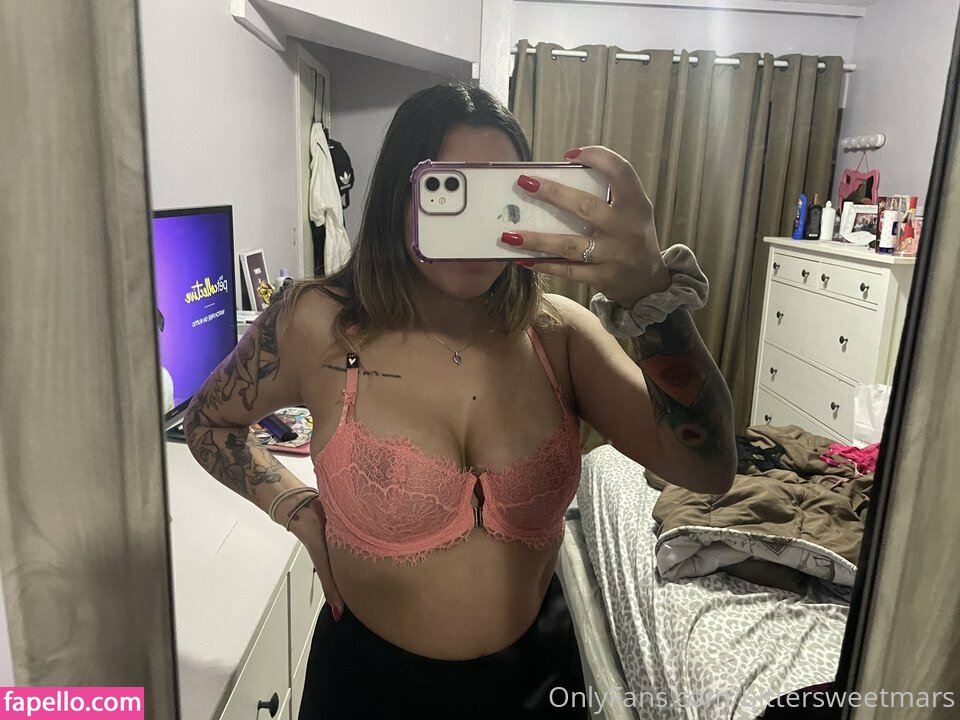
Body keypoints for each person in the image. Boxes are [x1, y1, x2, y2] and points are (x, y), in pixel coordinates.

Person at [183, 82, 736, 719]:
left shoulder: (559, 337)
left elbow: (708, 467)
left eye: (502, 198)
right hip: (367, 688)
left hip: (536, 685)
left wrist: (651, 297)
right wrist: (296, 507)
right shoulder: (317, 324)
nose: (478, 229)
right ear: (400, 197)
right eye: (450, 192)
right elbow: (209, 422)